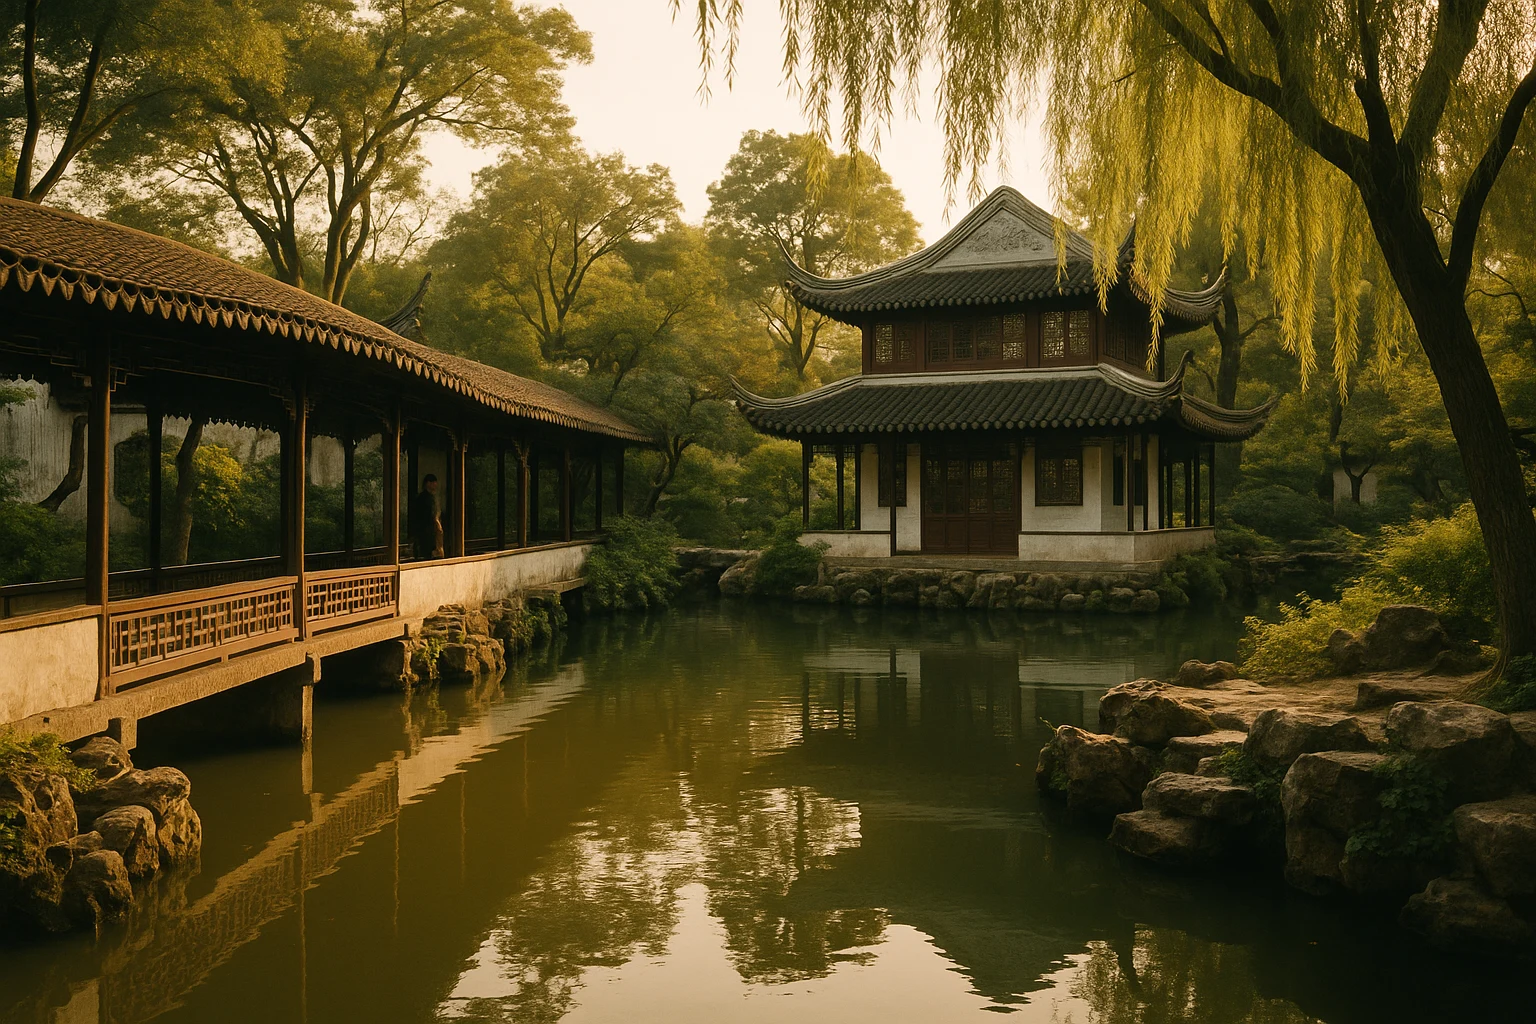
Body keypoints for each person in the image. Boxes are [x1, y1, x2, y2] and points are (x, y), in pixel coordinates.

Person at [410, 474, 444, 559]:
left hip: (429, 532)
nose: (435, 486)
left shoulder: (429, 498)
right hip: (426, 533)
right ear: (428, 483)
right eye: (434, 483)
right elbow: (428, 515)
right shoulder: (424, 499)